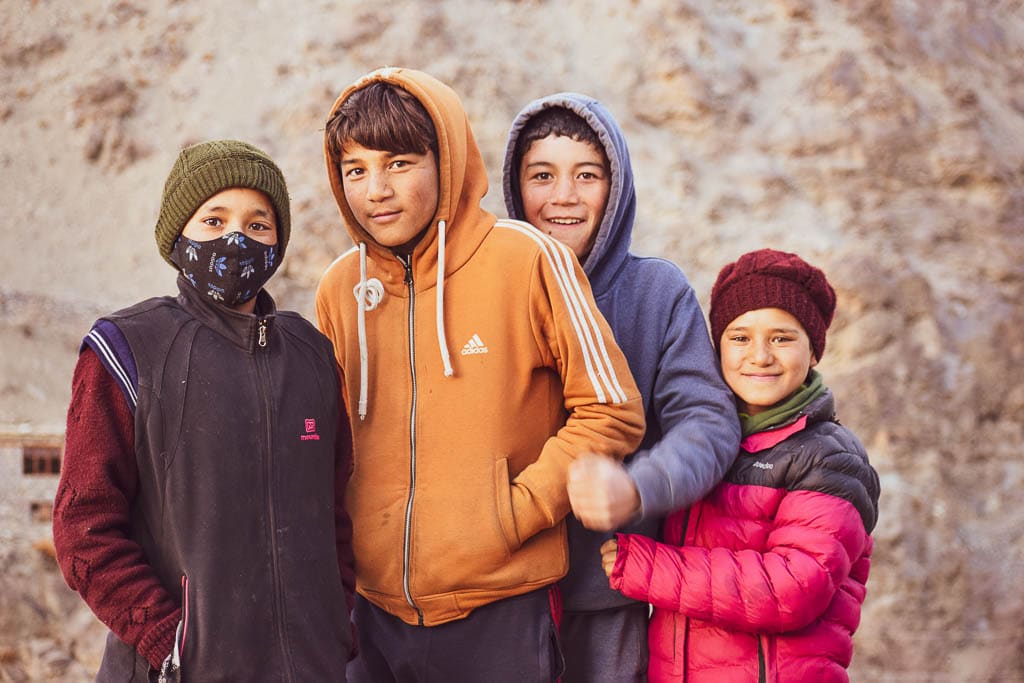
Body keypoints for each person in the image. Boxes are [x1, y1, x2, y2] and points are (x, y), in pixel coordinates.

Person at [315, 68, 646, 682]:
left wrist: (514, 513)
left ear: (448, 159)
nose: (376, 190)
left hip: (502, 605)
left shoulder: (527, 259)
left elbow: (611, 408)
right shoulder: (341, 286)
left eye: (399, 163)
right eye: (355, 169)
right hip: (374, 612)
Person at [52, 140, 356, 682]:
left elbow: (334, 514)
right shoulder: (126, 348)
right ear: (178, 236)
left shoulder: (312, 356)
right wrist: (170, 641)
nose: (236, 239)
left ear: (278, 242)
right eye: (214, 219)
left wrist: (339, 622)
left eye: (258, 225)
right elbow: (84, 528)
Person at [502, 94, 741, 681]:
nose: (563, 196)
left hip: (611, 601)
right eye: (542, 176)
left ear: (617, 187)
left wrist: (637, 487)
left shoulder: (657, 293)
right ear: (514, 188)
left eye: (587, 175)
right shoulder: (486, 292)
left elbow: (708, 422)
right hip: (499, 600)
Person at [598, 248, 881, 682]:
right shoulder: (703, 448)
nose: (760, 356)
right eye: (740, 337)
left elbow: (791, 589)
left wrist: (646, 567)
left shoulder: (830, 458)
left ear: (815, 352)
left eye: (782, 338)